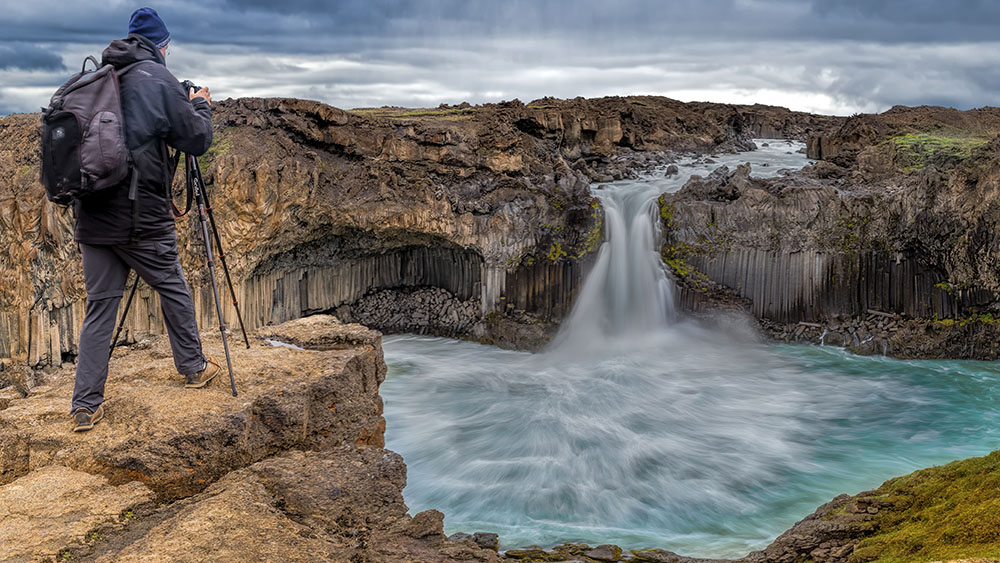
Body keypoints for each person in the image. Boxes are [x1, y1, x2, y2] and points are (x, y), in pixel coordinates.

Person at [70, 7, 219, 432]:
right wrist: (202, 106)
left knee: (100, 308)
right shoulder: (158, 79)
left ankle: (85, 406)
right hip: (141, 219)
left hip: (92, 218)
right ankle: (193, 367)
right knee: (172, 286)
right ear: (163, 46)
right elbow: (196, 139)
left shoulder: (99, 78)